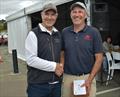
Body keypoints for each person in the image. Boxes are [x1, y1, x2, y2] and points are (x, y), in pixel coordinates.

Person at [62, 2, 103, 97]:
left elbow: (99, 58)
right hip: (68, 77)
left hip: (87, 77)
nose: (77, 15)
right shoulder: (64, 32)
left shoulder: (94, 32)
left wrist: (89, 80)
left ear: (86, 15)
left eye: (80, 12)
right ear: (70, 15)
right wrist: (61, 66)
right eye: (74, 12)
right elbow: (62, 53)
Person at [25, 3, 63, 97]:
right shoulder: (33, 34)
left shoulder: (58, 34)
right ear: (41, 15)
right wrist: (55, 66)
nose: (49, 17)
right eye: (47, 14)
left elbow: (62, 53)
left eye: (52, 14)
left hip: (56, 85)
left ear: (56, 16)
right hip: (38, 86)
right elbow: (31, 60)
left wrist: (61, 66)